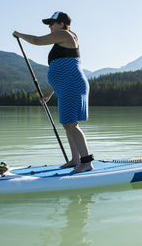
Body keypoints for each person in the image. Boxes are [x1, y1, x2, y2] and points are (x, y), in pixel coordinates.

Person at [13, 11, 93, 173]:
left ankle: (86, 162)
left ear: (62, 24)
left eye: (52, 23)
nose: (50, 26)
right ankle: (75, 159)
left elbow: (36, 40)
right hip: (67, 85)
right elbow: (61, 71)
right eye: (49, 24)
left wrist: (19, 35)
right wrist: (50, 93)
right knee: (68, 124)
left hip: (72, 84)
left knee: (70, 124)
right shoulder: (62, 40)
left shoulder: (65, 34)